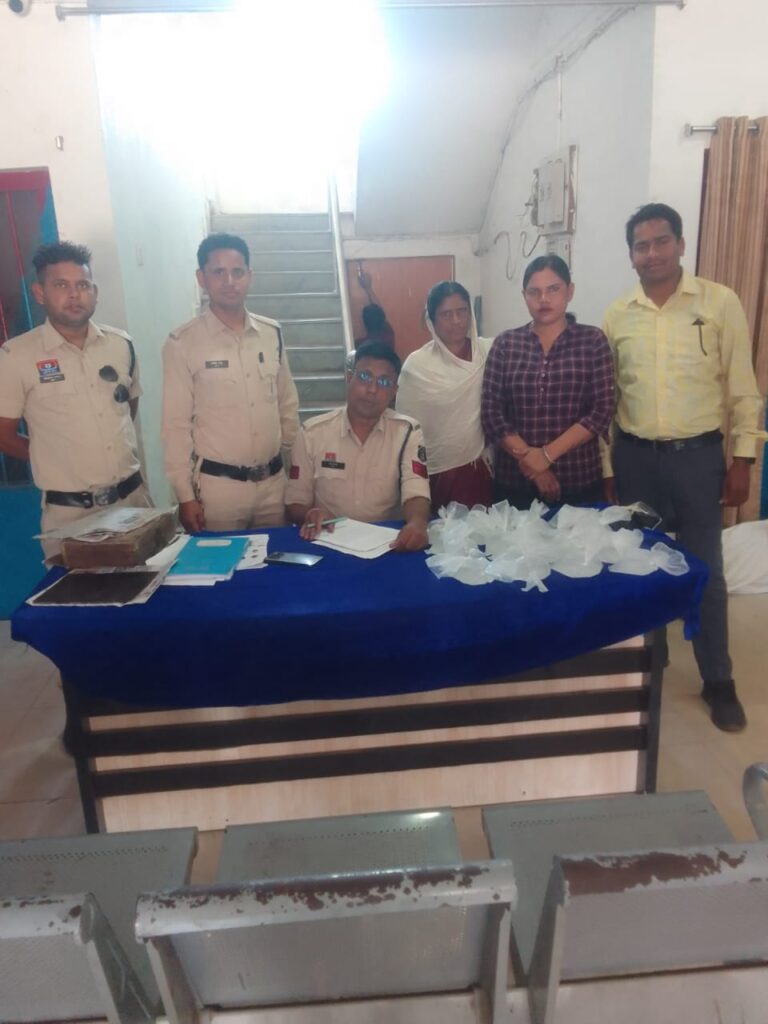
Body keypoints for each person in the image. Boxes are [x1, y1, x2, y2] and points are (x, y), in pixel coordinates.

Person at [603, 202, 764, 732]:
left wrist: (742, 460)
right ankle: (651, 662)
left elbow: (743, 389)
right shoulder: (618, 314)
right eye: (641, 246)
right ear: (630, 255)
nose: (652, 253)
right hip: (634, 458)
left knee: (705, 573)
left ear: (680, 244)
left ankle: (718, 680)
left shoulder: (719, 303)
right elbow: (608, 398)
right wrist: (608, 467)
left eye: (661, 242)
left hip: (698, 459)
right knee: (640, 567)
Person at [0, 242, 151, 560]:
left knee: (151, 587)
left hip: (133, 503)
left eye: (82, 285)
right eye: (61, 285)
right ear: (40, 293)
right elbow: (4, 434)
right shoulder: (16, 356)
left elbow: (126, 409)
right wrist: (49, 456)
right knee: (80, 592)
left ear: (94, 291)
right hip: (70, 517)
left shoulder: (120, 345)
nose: (74, 294)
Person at [162, 232, 299, 533]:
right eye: (218, 272)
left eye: (238, 272)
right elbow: (175, 427)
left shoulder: (271, 334)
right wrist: (185, 496)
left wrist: (290, 468)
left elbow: (287, 404)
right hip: (218, 492)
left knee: (276, 560)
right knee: (220, 563)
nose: (229, 281)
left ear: (250, 275)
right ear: (202, 278)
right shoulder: (182, 343)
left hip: (273, 487)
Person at [481, 255, 614, 509]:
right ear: (524, 296)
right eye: (534, 292)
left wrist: (546, 455)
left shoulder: (592, 341)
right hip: (514, 483)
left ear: (569, 291)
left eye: (553, 289)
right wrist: (535, 467)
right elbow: (492, 414)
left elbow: (601, 412)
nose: (543, 299)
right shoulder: (506, 343)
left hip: (578, 480)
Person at [286, 340, 431, 551]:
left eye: (384, 382)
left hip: (387, 544)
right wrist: (309, 514)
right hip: (328, 540)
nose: (372, 389)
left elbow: (416, 490)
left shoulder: (407, 432)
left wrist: (417, 522)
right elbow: (295, 501)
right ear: (349, 377)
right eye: (364, 377)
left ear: (394, 391)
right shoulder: (312, 433)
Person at [396, 280, 493, 511]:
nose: (456, 321)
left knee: (479, 529)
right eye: (446, 314)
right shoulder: (417, 365)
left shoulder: (489, 352)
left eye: (462, 311)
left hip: (477, 470)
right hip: (432, 474)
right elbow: (404, 428)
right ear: (432, 320)